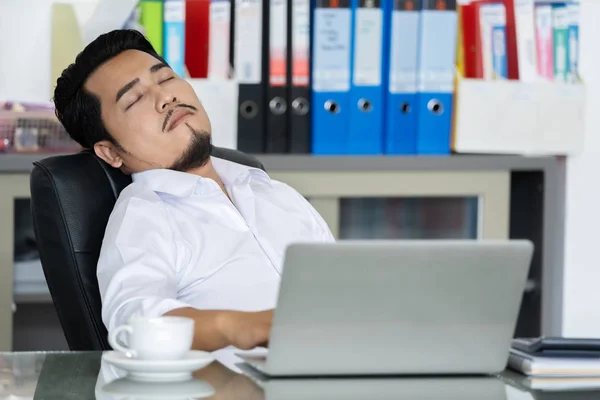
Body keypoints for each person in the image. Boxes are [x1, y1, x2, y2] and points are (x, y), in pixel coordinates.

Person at [53, 29, 334, 357]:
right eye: (135, 99)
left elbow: (347, 290)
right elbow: (134, 326)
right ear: (111, 153)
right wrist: (236, 327)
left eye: (166, 78)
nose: (165, 97)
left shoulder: (273, 192)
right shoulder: (146, 215)